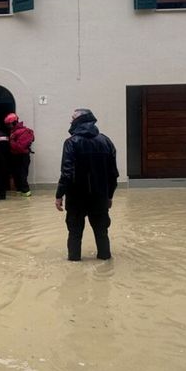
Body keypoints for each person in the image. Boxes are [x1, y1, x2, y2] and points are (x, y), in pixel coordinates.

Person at [55, 108, 119, 261]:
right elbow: (113, 174)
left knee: (75, 233)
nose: (70, 121)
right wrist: (109, 196)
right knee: (102, 232)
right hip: (100, 197)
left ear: (80, 120)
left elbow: (67, 173)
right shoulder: (106, 141)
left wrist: (59, 195)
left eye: (73, 118)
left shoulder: (71, 142)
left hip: (76, 198)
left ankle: (74, 267)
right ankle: (105, 266)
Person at [4, 112, 35, 197]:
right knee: (16, 174)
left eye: (8, 124)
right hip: (15, 156)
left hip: (22, 156)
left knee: (22, 174)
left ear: (14, 123)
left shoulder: (23, 132)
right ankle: (20, 190)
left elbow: (20, 147)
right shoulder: (14, 132)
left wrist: (11, 141)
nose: (8, 126)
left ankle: (26, 191)